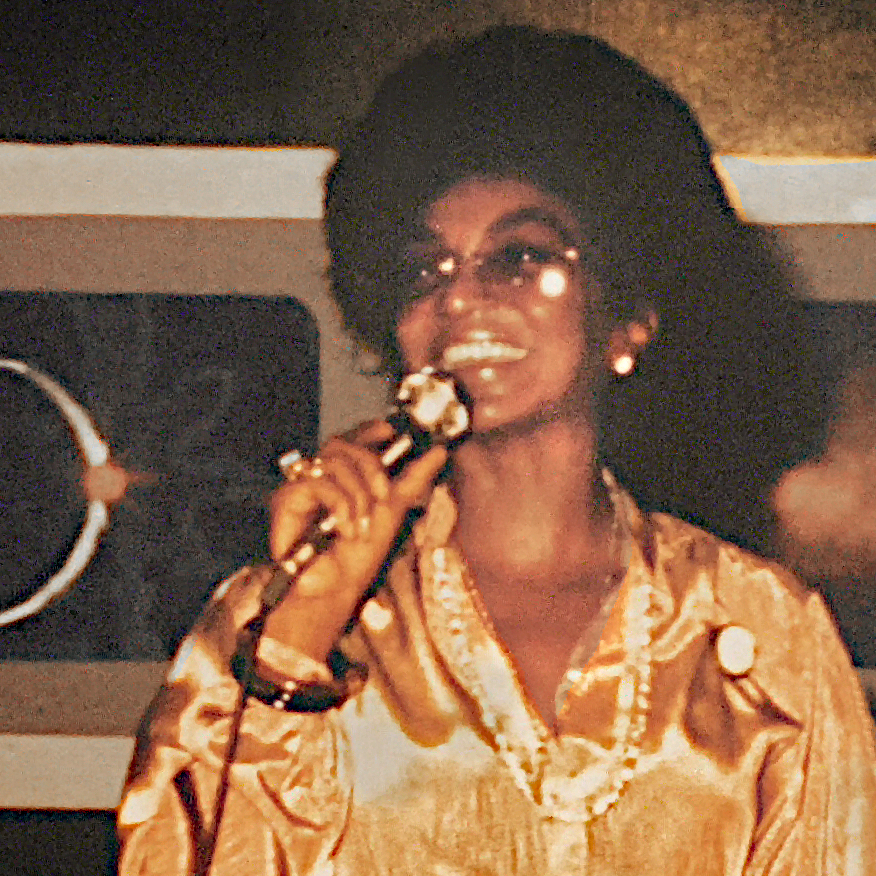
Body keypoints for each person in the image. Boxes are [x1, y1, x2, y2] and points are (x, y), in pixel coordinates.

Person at [117, 26, 876, 875]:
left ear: (627, 321)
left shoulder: (762, 631)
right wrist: (301, 632)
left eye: (519, 258)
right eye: (425, 271)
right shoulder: (285, 620)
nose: (461, 297)